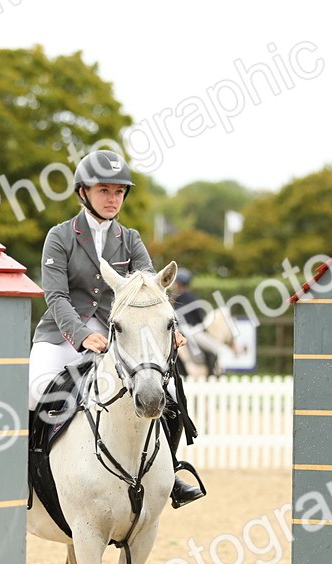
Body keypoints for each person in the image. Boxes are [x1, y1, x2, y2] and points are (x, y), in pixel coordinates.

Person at [28, 150, 203, 508]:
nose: (112, 199)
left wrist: (172, 330)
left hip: (118, 335)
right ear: (83, 193)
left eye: (119, 192)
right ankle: (24, 474)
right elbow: (56, 295)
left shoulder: (131, 238)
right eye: (104, 190)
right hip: (62, 334)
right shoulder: (59, 236)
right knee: (35, 393)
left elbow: (152, 289)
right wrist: (79, 334)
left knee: (165, 397)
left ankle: (170, 476)